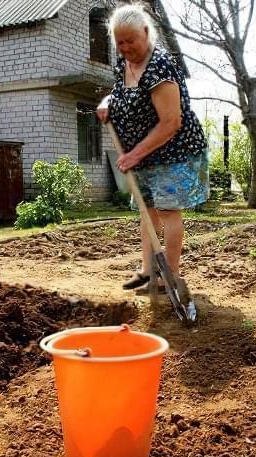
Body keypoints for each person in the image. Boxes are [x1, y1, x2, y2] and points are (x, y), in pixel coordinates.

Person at [96, 2, 208, 291]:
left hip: (173, 152)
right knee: (148, 211)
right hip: (142, 156)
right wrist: (107, 102)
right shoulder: (122, 63)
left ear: (146, 32)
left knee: (168, 211)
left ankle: (168, 276)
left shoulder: (160, 66)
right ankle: (148, 271)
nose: (124, 48)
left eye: (130, 40)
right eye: (119, 42)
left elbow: (171, 122)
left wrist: (134, 154)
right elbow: (118, 94)